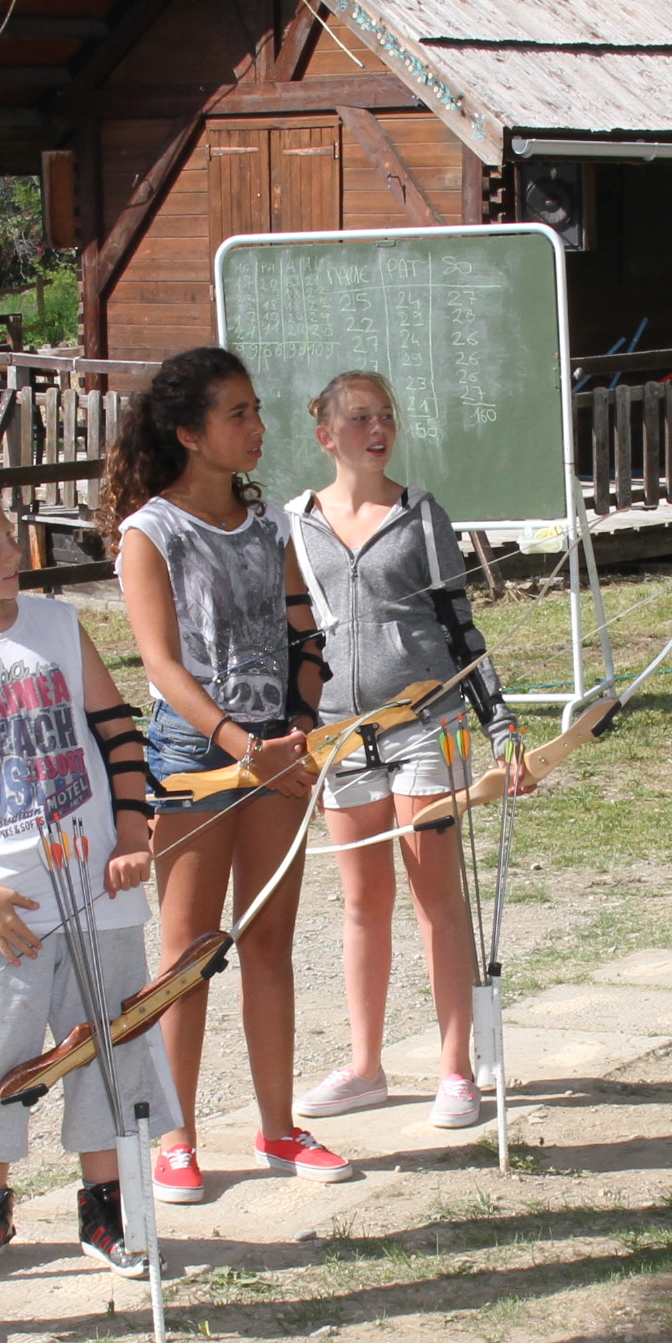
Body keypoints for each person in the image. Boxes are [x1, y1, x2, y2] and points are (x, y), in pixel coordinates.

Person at [0, 475, 185, 1279]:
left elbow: (116, 728)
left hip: (97, 882)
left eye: (8, 535)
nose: (13, 554)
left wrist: (132, 829)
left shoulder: (58, 624)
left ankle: (107, 1209)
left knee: (110, 1041)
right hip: (4, 899)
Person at [109, 346, 351, 1191]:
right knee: (188, 953)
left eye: (256, 411)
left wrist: (296, 725)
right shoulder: (151, 531)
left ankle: (279, 1129)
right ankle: (176, 1140)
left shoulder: (270, 523)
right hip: (193, 762)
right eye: (237, 414)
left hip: (277, 751)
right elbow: (162, 667)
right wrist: (242, 746)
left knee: (271, 941)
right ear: (189, 433)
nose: (257, 428)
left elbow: (304, 635)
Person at [285, 372, 526, 1129]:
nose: (377, 428)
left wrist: (504, 729)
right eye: (359, 418)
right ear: (326, 436)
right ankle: (365, 1068)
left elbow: (461, 631)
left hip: (428, 726)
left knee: (436, 899)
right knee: (363, 905)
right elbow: (288, 641)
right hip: (341, 738)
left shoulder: (422, 515)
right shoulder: (292, 524)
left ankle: (457, 1070)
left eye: (385, 415)